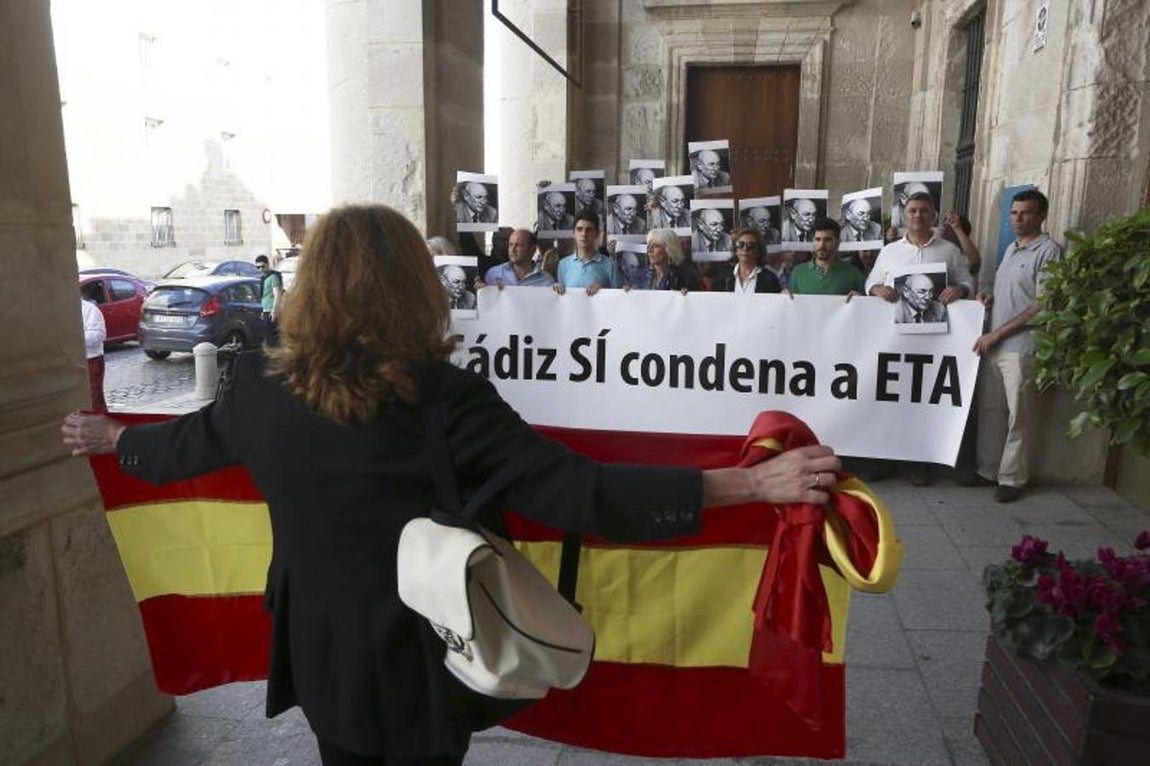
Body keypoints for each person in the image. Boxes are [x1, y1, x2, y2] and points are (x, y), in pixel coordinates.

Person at [60, 203, 841, 766]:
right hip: (422, 664)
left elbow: (184, 448)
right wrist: (751, 486)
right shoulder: (440, 398)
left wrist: (112, 437)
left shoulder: (259, 391)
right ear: (413, 288)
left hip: (319, 654)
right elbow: (580, 493)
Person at [864, 191, 973, 485]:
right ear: (904, 214)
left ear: (933, 215)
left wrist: (959, 291)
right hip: (892, 340)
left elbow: (967, 281)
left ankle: (917, 463)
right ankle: (885, 458)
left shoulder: (949, 251)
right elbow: (870, 281)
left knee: (921, 401)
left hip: (933, 342)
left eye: (924, 211)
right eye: (912, 210)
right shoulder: (889, 251)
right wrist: (876, 290)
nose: (918, 216)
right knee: (888, 399)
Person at [965, 189, 1062, 503]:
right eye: (1014, 213)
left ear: (1041, 215)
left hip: (1022, 347)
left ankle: (1012, 478)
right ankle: (987, 470)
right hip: (994, 344)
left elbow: (1042, 305)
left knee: (1019, 416)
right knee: (991, 411)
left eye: (1026, 212)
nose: (1018, 218)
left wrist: (998, 334)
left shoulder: (1048, 251)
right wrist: (987, 296)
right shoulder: (1010, 249)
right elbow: (1003, 289)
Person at [787, 218, 865, 298]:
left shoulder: (853, 274)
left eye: (827, 240)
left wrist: (860, 299)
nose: (821, 245)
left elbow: (866, 307)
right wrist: (783, 298)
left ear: (838, 242)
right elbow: (791, 307)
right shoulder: (798, 273)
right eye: (817, 239)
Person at [554, 210, 623, 295]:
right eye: (579, 229)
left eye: (589, 230)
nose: (584, 234)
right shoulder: (563, 265)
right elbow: (562, 299)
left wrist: (603, 292)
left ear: (597, 233)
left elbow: (618, 299)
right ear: (573, 233)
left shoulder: (610, 265)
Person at [626, 228, 699, 293]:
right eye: (648, 246)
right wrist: (627, 292)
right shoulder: (638, 276)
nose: (649, 250)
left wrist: (687, 297)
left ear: (669, 249)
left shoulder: (685, 278)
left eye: (656, 246)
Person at [479, 229, 555, 288]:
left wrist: (558, 292)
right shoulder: (493, 274)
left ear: (532, 249)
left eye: (519, 245)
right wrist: (485, 290)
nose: (513, 249)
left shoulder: (547, 280)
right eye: (511, 245)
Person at [717, 227, 782, 294]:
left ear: (759, 251)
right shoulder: (724, 277)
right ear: (735, 249)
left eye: (751, 245)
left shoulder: (769, 279)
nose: (745, 249)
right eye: (740, 244)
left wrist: (785, 297)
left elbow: (776, 302)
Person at [81, 296, 107, 411]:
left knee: (93, 398)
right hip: (69, 360)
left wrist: (73, 337)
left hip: (91, 359)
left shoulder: (89, 309)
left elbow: (98, 335)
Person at [940, 210, 982, 275]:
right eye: (944, 225)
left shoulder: (960, 256)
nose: (944, 230)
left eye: (949, 228)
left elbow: (974, 263)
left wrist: (957, 227)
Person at [256, 254, 284, 345]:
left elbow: (277, 295)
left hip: (271, 311)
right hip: (266, 310)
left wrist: (274, 311)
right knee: (268, 336)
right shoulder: (264, 278)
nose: (260, 269)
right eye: (258, 267)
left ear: (268, 264)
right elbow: (265, 296)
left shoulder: (273, 277)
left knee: (272, 337)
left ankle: (275, 355)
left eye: (263, 266)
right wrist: (263, 310)